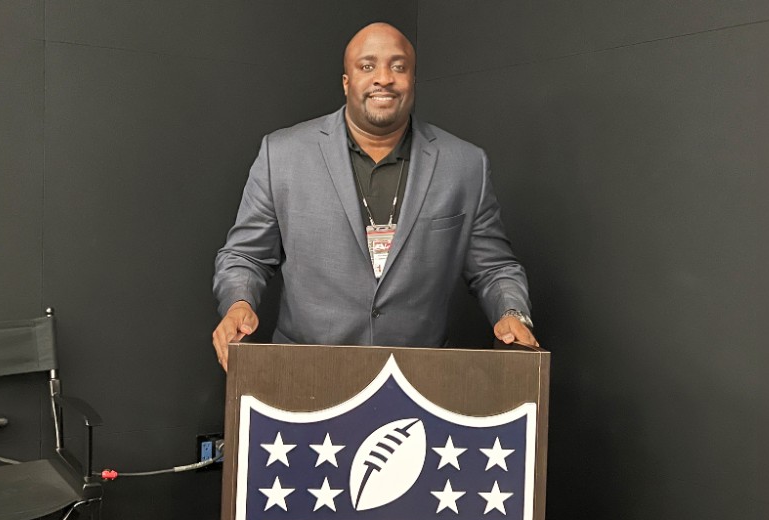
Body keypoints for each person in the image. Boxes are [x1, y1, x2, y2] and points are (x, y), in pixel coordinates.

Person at [212, 22, 537, 369]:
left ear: (413, 79)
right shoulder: (283, 154)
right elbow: (246, 256)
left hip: (421, 379)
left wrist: (512, 312)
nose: (384, 77)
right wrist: (239, 304)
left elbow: (494, 267)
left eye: (398, 66)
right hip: (305, 374)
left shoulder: (465, 164)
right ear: (346, 81)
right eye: (367, 66)